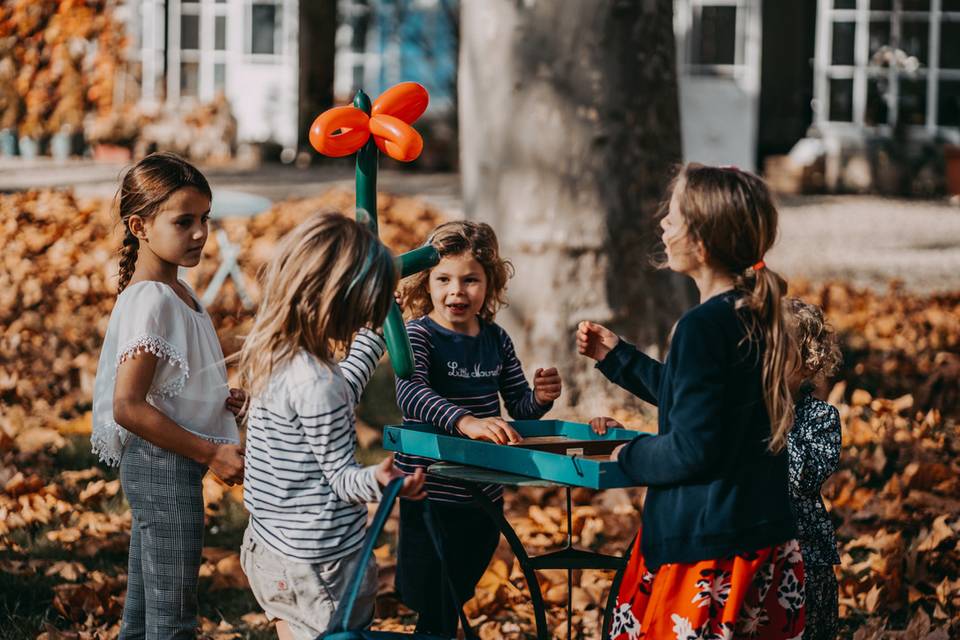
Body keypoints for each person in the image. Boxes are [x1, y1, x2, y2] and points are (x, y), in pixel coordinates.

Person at [582, 164, 805, 639]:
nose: (663, 223)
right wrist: (620, 359)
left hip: (709, 555)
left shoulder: (701, 326)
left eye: (674, 215)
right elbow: (701, 401)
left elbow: (692, 447)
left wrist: (631, 455)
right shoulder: (751, 310)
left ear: (702, 243)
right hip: (759, 536)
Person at [236, 213, 426, 640]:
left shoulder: (277, 354)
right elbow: (341, 479)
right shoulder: (318, 383)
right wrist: (381, 480)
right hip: (321, 564)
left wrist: (374, 335)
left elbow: (339, 387)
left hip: (270, 545)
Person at [91, 152, 245, 639]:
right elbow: (128, 406)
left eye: (205, 219)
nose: (200, 232)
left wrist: (221, 398)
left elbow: (171, 386)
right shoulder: (152, 299)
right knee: (173, 620)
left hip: (171, 464)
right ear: (140, 225)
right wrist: (211, 452)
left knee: (143, 616)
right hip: (164, 466)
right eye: (184, 221)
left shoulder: (180, 292)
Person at [394, 220, 562, 637]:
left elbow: (518, 404)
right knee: (431, 595)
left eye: (471, 279)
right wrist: (465, 422)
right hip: (430, 489)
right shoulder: (418, 335)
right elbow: (410, 394)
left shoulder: (496, 339)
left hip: (484, 493)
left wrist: (541, 398)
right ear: (426, 283)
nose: (457, 291)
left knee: (457, 592)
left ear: (490, 283)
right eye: (444, 279)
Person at [784, 297, 843, 640]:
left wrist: (774, 419)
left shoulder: (820, 419)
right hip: (753, 554)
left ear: (809, 362)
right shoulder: (741, 413)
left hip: (805, 558)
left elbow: (800, 478)